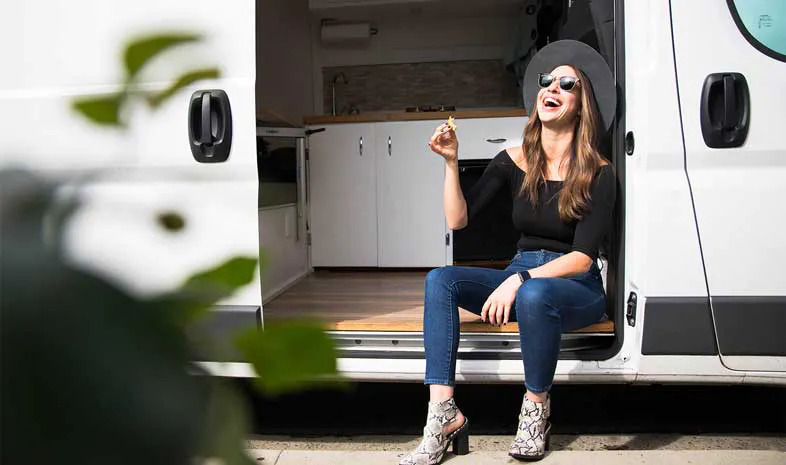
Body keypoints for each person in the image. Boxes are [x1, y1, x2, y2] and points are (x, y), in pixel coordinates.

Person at [399, 40, 618, 464]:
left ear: (582, 105)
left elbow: (582, 257)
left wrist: (520, 280)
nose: (552, 87)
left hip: (573, 285)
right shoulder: (512, 160)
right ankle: (442, 415)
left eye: (567, 84)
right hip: (521, 276)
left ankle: (535, 411)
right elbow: (458, 220)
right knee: (440, 280)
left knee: (534, 293)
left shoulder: (598, 171)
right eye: (547, 80)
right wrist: (450, 162)